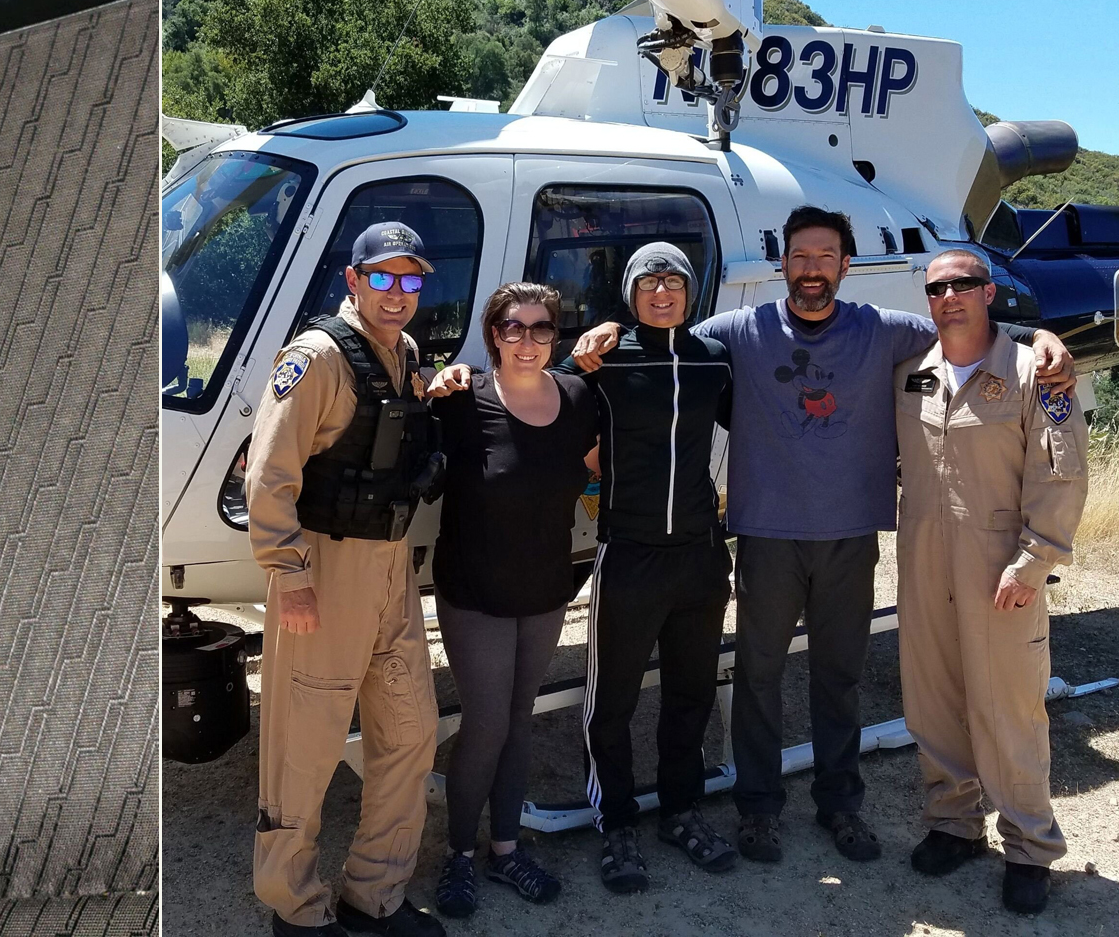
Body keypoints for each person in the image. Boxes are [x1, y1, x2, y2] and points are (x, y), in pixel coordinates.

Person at [569, 207, 1072, 865]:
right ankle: (757, 809)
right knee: (758, 677)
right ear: (784, 265)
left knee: (839, 676)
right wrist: (603, 328)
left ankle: (840, 804)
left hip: (849, 536)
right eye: (800, 257)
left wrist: (1036, 335)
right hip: (766, 537)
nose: (811, 269)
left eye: (824, 256)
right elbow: (665, 334)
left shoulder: (883, 332)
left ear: (844, 264)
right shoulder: (737, 334)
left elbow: (963, 328)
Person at [447, 243, 737, 893]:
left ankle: (682, 811)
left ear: (690, 290)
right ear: (631, 292)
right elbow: (543, 386)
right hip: (629, 553)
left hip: (699, 555)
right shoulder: (602, 364)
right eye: (648, 281)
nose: (662, 292)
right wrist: (452, 377)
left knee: (691, 695)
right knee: (611, 701)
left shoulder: (712, 362)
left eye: (673, 281)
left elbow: (762, 427)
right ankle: (619, 827)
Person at [244, 221, 446, 937]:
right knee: (305, 750)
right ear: (353, 281)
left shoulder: (404, 352)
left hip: (390, 570)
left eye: (411, 279)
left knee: (411, 733)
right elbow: (267, 475)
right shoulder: (317, 357)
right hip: (323, 574)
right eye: (383, 278)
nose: (398, 294)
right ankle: (295, 910)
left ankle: (374, 897)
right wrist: (288, 573)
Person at [894, 249, 1087, 915]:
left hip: (1000, 570)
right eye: (937, 287)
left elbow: (1060, 474)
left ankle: (1030, 848)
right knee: (934, 702)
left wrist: (1035, 562)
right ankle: (953, 824)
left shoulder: (1037, 373)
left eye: (963, 284)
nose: (949, 295)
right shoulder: (912, 373)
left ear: (988, 291)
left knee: (1009, 711)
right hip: (924, 566)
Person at [422, 283, 598, 916]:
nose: (527, 341)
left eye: (541, 328)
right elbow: (405, 407)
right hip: (474, 588)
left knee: (519, 719)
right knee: (489, 720)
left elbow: (601, 466)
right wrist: (437, 377)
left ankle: (505, 850)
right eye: (513, 328)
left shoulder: (578, 397)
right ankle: (459, 857)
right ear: (493, 333)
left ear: (558, 334)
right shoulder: (462, 399)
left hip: (547, 585)